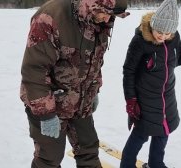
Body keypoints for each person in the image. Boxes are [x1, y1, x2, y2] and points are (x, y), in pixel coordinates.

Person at [20, 0, 129, 167]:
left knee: (89, 150)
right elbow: (34, 71)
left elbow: (94, 62)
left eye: (112, 15)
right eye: (106, 13)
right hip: (48, 105)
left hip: (80, 103)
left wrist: (94, 91)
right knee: (49, 158)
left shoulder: (101, 21)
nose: (108, 20)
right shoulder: (50, 18)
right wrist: (46, 115)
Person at [120, 0, 181, 167]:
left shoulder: (174, 39)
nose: (162, 36)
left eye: (167, 33)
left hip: (167, 98)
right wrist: (131, 100)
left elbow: (177, 60)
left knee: (163, 132)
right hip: (145, 100)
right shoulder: (140, 42)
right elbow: (128, 71)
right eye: (159, 31)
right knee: (140, 135)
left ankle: (156, 164)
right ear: (153, 25)